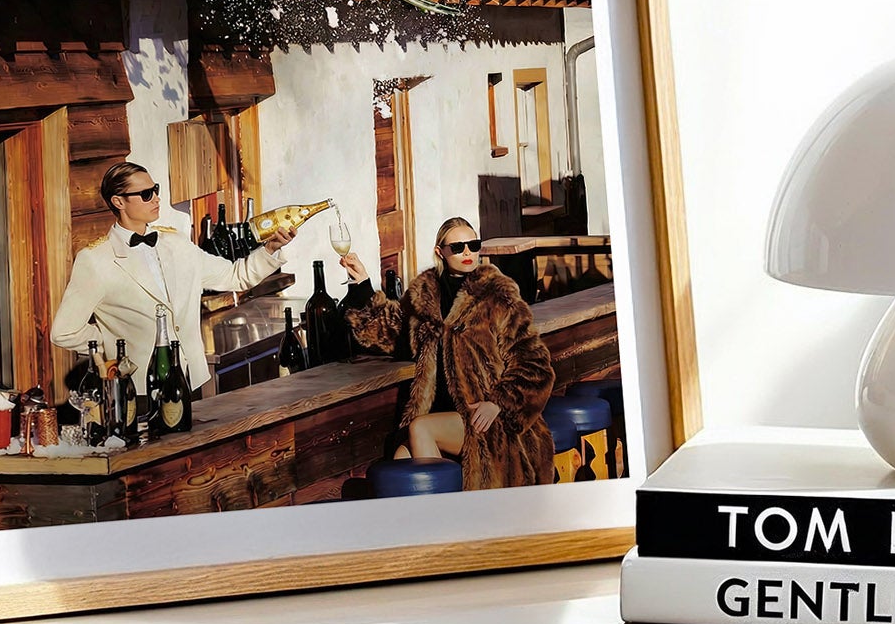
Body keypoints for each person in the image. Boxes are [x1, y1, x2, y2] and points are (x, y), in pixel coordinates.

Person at [338, 217, 555, 490]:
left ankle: (444, 519)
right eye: (458, 247)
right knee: (400, 463)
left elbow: (535, 365)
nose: (467, 253)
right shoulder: (425, 296)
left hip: (489, 419)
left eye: (473, 245)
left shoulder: (498, 296)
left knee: (420, 429)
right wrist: (363, 285)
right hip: (441, 416)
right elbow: (393, 332)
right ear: (440, 252)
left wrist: (499, 402)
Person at [50, 161, 296, 396]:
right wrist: (113, 344)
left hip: (192, 380)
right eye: (145, 194)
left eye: (155, 190)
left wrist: (270, 250)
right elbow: (64, 332)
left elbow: (235, 276)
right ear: (118, 202)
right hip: (140, 387)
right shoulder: (95, 260)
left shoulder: (176, 243)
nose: (156, 198)